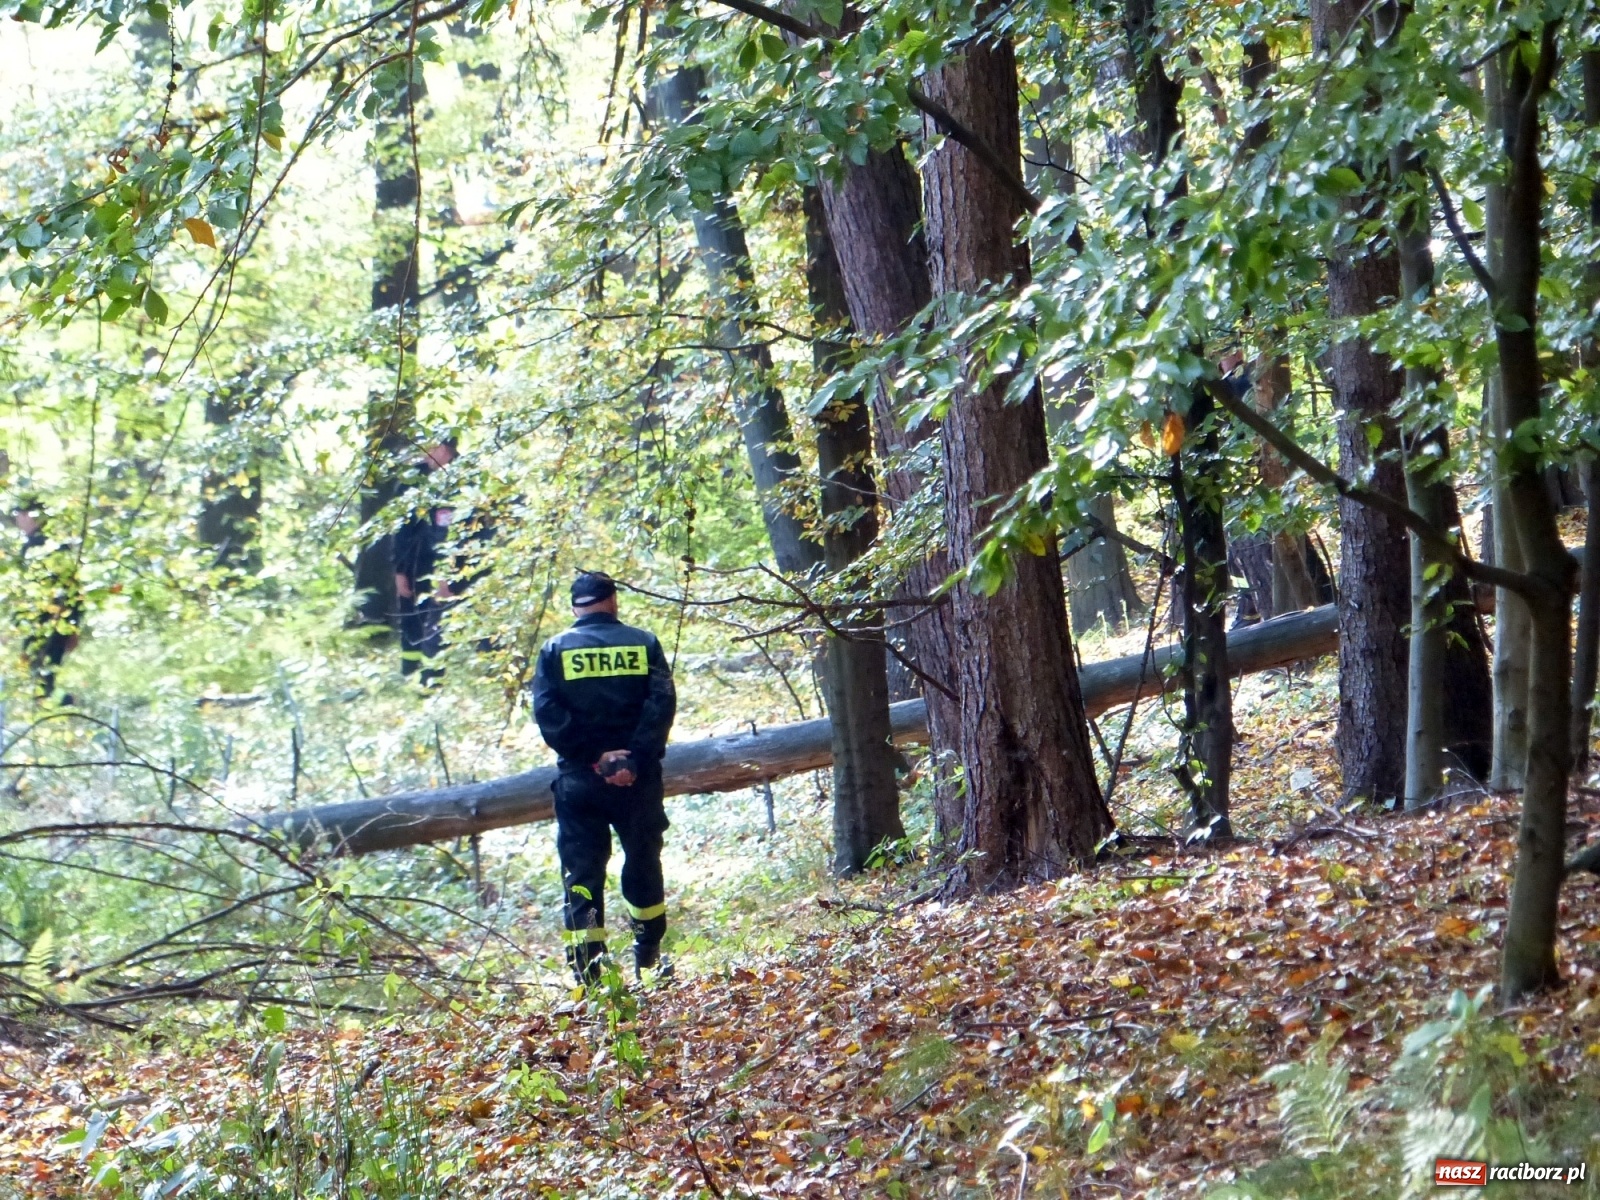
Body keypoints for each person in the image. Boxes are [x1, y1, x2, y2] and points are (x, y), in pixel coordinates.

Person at [531, 571, 677, 985]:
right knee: (644, 862)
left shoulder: (555, 649)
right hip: (638, 780)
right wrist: (632, 758)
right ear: (613, 601)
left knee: (583, 875)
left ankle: (590, 975)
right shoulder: (644, 642)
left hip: (580, 783)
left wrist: (594, 757)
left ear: (575, 608)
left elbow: (547, 714)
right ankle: (648, 958)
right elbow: (662, 703)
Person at [392, 439, 459, 680]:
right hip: (413, 562)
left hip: (444, 566)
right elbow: (400, 531)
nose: (424, 454)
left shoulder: (459, 480)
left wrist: (446, 573)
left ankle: (432, 677)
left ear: (443, 450)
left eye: (430, 448)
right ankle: (410, 672)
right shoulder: (411, 481)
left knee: (436, 622)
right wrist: (399, 570)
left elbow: (450, 534)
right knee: (411, 616)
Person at [9, 501, 84, 700]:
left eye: (21, 515)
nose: (18, 520)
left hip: (52, 622)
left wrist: (72, 625)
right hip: (38, 623)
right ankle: (61, 705)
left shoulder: (51, 546)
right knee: (33, 674)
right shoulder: (30, 546)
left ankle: (64, 706)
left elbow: (71, 587)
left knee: (43, 676)